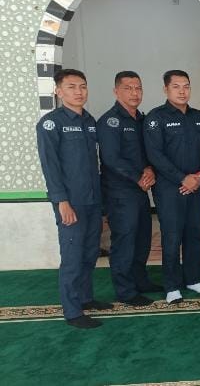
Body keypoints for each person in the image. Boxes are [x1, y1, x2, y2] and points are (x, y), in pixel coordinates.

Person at [36, 69, 112, 328]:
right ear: (58, 91)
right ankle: (72, 311)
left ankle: (85, 298)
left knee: (90, 252)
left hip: (92, 200)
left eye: (82, 86)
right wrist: (62, 202)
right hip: (71, 202)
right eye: (71, 87)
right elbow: (50, 167)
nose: (78, 92)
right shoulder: (51, 123)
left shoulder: (89, 121)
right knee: (72, 256)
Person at [144, 70, 200, 304]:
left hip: (196, 186)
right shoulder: (156, 117)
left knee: (194, 233)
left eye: (186, 86)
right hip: (169, 188)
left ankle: (193, 279)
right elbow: (155, 155)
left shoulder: (199, 117)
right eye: (176, 87)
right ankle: (172, 286)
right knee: (172, 236)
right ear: (166, 89)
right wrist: (182, 178)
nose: (182, 91)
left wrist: (198, 176)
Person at [97, 71, 162, 307]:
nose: (134, 93)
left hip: (140, 190)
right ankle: (125, 291)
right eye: (128, 88)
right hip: (120, 192)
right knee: (124, 241)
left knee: (142, 238)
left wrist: (150, 170)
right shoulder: (110, 121)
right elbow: (111, 158)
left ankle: (140, 281)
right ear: (116, 91)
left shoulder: (141, 120)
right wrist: (138, 178)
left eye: (138, 88)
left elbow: (146, 153)